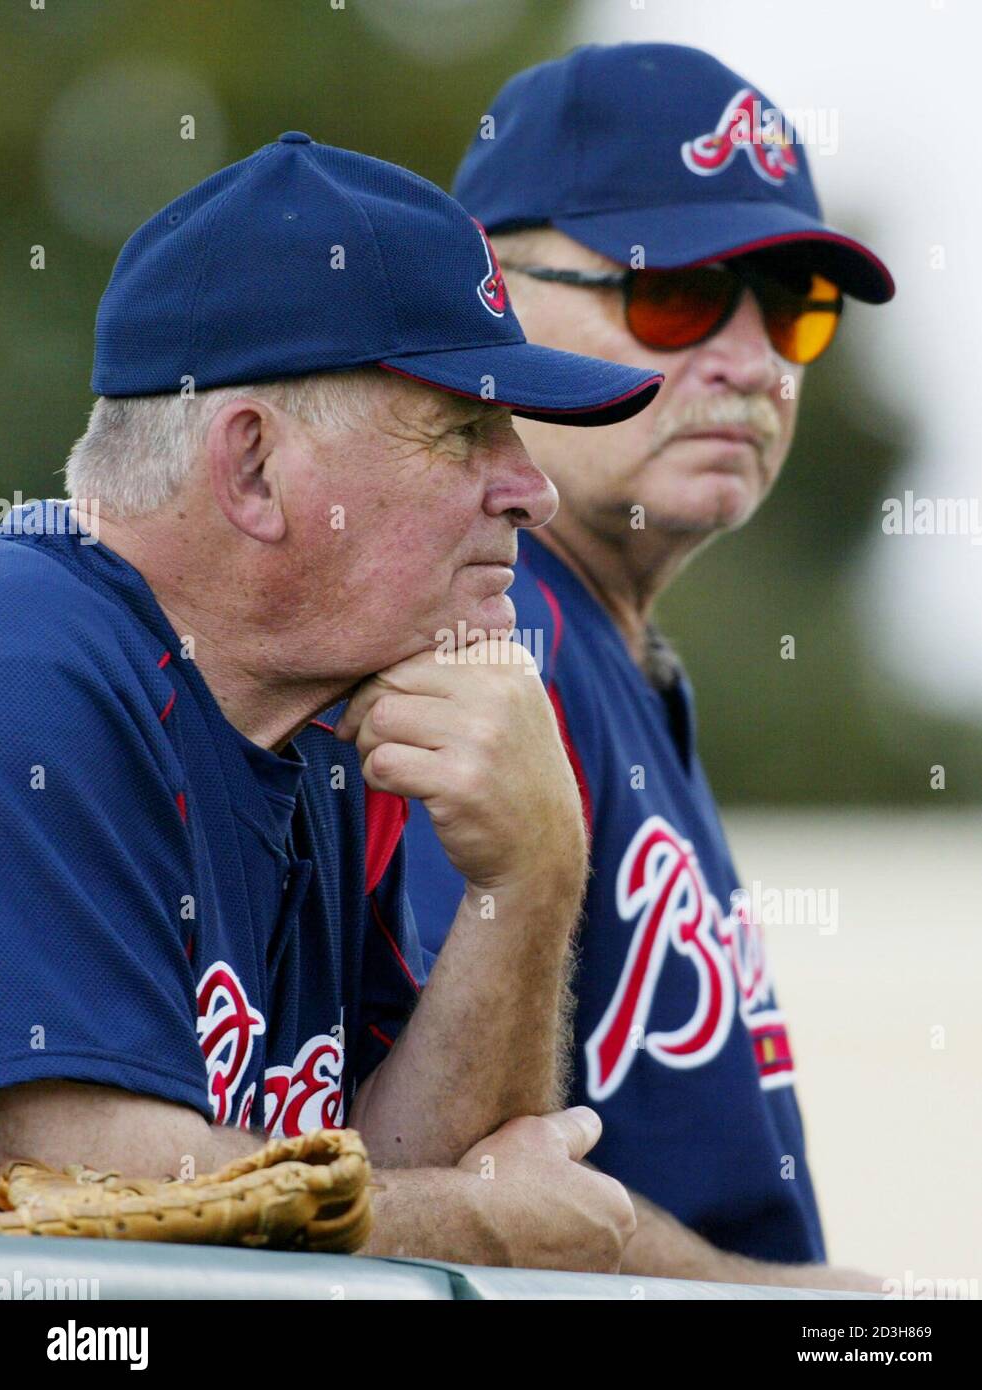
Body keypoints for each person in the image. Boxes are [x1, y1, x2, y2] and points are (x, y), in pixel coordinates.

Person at [0, 132, 665, 1270]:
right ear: (253, 466)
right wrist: (470, 1226)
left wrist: (534, 872)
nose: (533, 488)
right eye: (465, 428)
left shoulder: (322, 728)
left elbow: (388, 1157)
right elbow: (84, 1205)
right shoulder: (31, 658)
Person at [404, 44, 895, 1288]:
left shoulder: (603, 637)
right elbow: (455, 1182)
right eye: (674, 292)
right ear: (490, 292)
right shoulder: (490, 633)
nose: (750, 360)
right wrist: (781, 1306)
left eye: (792, 305)